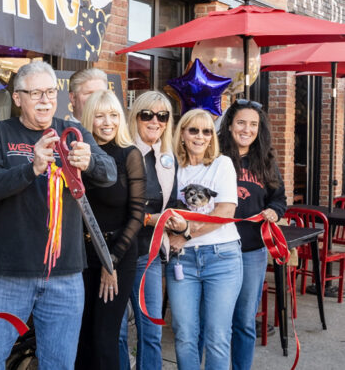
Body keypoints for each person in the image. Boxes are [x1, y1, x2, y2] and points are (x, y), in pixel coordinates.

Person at [0, 61, 116, 370]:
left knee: (60, 364)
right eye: (35, 93)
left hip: (64, 274)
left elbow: (110, 174)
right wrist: (31, 168)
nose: (45, 100)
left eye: (50, 92)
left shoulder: (72, 132)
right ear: (17, 98)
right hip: (5, 274)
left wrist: (90, 162)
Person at [75, 90, 145, 369]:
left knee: (105, 338)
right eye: (100, 115)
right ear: (89, 119)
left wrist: (110, 261)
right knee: (81, 336)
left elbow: (137, 215)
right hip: (80, 256)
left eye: (114, 115)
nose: (108, 122)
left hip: (118, 254)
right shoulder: (79, 155)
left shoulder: (130, 155)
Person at [168, 109, 242, 370]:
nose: (201, 136)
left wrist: (186, 233)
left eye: (207, 131)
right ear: (182, 134)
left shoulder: (222, 164)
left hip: (221, 257)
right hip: (182, 262)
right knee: (185, 334)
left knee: (217, 336)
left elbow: (224, 212)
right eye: (194, 130)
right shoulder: (171, 166)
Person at [219, 100, 286, 370]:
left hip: (252, 251)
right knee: (217, 322)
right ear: (230, 125)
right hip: (219, 250)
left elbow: (279, 199)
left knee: (244, 321)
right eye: (241, 123)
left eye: (253, 125)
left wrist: (273, 211)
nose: (247, 129)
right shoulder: (216, 157)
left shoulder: (265, 161)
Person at [120, 91, 178, 370]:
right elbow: (116, 204)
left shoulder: (167, 159)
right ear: (135, 117)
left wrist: (178, 222)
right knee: (118, 333)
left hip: (149, 255)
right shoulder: (123, 152)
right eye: (148, 115)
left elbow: (174, 203)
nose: (155, 121)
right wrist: (149, 219)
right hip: (117, 254)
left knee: (151, 331)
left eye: (162, 116)